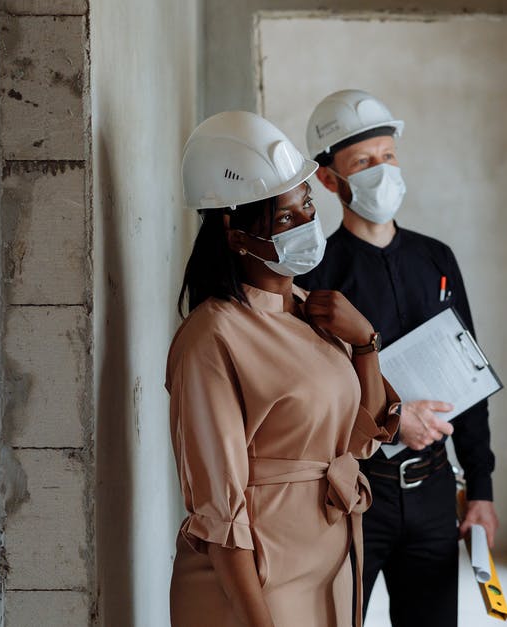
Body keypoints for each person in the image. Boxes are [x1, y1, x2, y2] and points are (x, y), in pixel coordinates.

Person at [166, 110, 400, 627]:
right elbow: (219, 511)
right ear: (234, 233)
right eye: (287, 217)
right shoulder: (213, 336)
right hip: (258, 582)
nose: (308, 224)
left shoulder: (312, 311)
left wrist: (366, 344)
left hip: (331, 560)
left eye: (308, 206)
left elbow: (362, 442)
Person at [294, 89, 497, 626]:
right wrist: (389, 422)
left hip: (433, 489)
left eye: (387, 155)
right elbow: (310, 399)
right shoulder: (317, 278)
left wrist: (481, 489)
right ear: (328, 179)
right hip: (354, 495)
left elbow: (468, 378)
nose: (381, 171)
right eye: (362, 162)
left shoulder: (437, 259)